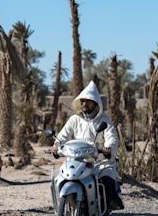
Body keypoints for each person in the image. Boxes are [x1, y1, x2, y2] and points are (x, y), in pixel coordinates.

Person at [52, 80, 124, 211]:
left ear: (95, 103)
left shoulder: (104, 120)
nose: (84, 103)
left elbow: (112, 138)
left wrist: (108, 148)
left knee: (107, 176)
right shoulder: (74, 119)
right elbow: (63, 135)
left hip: (98, 161)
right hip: (77, 160)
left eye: (88, 101)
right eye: (83, 101)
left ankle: (110, 202)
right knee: (60, 176)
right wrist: (56, 146)